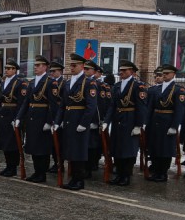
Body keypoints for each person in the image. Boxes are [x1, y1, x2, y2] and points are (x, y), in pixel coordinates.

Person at [53, 53, 97, 190]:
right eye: (71, 65)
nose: (72, 67)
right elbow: (63, 105)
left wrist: (84, 124)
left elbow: (91, 106)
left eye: (75, 65)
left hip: (79, 122)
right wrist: (57, 121)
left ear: (82, 66)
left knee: (79, 152)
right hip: (68, 121)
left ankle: (79, 180)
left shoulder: (89, 82)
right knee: (70, 151)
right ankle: (73, 179)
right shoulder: (67, 83)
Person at [103, 60, 148, 186]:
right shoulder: (117, 86)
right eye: (120, 70)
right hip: (118, 120)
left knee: (128, 150)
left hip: (130, 119)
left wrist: (139, 125)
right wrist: (107, 121)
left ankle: (126, 175)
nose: (121, 72)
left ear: (132, 72)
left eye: (124, 70)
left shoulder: (138, 86)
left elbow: (142, 107)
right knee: (117, 148)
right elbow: (112, 106)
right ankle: (119, 174)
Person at [14, 55, 58, 183]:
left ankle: (42, 173)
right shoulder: (32, 82)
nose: (36, 67)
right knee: (33, 147)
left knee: (42, 149)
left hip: (43, 119)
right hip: (31, 118)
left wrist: (49, 121)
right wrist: (19, 117)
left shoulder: (50, 82)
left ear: (45, 67)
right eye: (35, 65)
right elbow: (26, 102)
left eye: (38, 65)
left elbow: (53, 104)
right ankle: (36, 171)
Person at [145, 64, 185, 182]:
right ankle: (156, 170)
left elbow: (179, 110)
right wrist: (146, 122)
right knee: (155, 147)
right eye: (163, 73)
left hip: (168, 122)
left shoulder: (179, 89)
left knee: (165, 149)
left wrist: (174, 126)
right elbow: (150, 108)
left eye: (167, 73)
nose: (164, 75)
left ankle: (163, 173)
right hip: (155, 121)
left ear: (173, 74)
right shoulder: (157, 88)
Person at [0, 59, 26, 177]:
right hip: (3, 115)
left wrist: (18, 118)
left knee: (13, 143)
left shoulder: (19, 82)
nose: (6, 70)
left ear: (14, 70)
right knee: (5, 143)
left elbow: (21, 103)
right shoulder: (4, 82)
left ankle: (13, 168)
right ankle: (8, 166)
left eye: (9, 69)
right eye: (6, 68)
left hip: (12, 115)